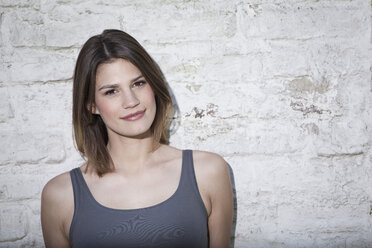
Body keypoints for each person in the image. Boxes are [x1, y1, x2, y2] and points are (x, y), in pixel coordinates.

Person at [41, 29, 233, 248]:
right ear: (91, 105)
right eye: (111, 91)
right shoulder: (60, 196)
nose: (131, 101)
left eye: (139, 83)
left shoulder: (207, 172)